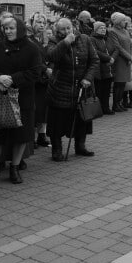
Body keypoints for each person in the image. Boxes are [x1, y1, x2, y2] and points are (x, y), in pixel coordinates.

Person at [0, 17, 41, 188]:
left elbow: (35, 72)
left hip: (22, 97)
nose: (8, 32)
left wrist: (13, 79)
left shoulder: (32, 48)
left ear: (19, 29)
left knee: (20, 135)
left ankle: (14, 167)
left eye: (12, 28)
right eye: (6, 29)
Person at [45, 18, 100, 160]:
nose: (67, 31)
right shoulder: (54, 41)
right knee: (57, 121)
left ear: (73, 27)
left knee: (82, 118)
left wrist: (88, 77)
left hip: (82, 86)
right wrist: (65, 42)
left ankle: (80, 146)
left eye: (68, 28)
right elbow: (51, 56)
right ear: (58, 31)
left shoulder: (85, 39)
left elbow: (94, 60)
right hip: (60, 88)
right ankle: (57, 150)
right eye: (63, 29)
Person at [28, 12, 53, 145]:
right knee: (36, 109)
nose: (41, 25)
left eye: (43, 23)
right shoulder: (29, 40)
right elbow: (32, 60)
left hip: (46, 80)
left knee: (44, 108)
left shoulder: (46, 39)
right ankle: (33, 137)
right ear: (32, 23)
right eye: (38, 22)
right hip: (35, 79)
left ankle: (42, 135)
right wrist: (45, 69)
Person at [107, 12, 132, 112]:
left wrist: (130, 57)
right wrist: (129, 57)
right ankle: (115, 104)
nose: (125, 22)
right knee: (118, 83)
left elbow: (130, 44)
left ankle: (119, 103)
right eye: (123, 20)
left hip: (126, 60)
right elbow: (117, 47)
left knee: (123, 84)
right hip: (119, 61)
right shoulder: (112, 32)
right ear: (118, 22)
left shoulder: (125, 31)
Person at [90, 21, 115, 115]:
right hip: (98, 69)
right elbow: (95, 52)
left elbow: (112, 49)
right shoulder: (92, 39)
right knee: (99, 90)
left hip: (107, 68)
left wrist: (112, 58)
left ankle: (106, 107)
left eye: (104, 28)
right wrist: (108, 58)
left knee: (106, 90)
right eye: (101, 28)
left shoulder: (105, 39)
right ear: (96, 29)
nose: (104, 30)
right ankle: (98, 109)